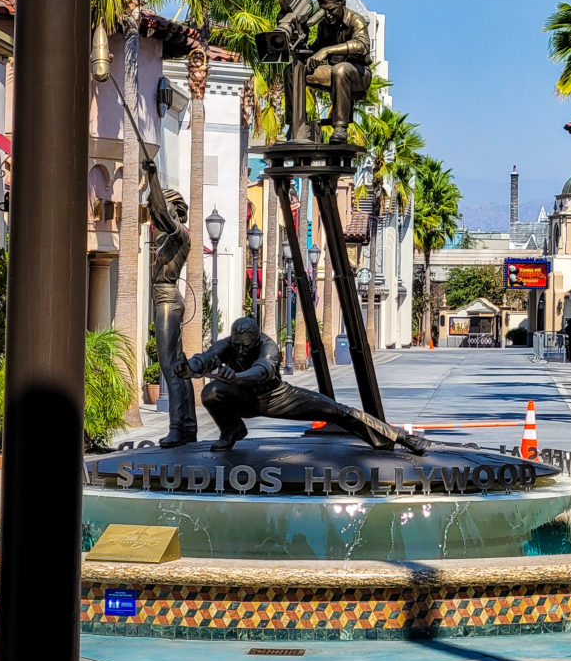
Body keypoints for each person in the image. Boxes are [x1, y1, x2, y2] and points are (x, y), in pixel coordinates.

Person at [177, 317, 427, 454]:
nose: (240, 350)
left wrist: (237, 377)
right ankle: (232, 431)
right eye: (237, 345)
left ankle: (400, 438)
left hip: (278, 397)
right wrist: (190, 368)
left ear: (256, 339)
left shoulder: (268, 345)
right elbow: (205, 358)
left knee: (337, 411)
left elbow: (263, 371)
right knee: (211, 392)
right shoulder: (227, 344)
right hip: (244, 399)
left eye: (246, 346)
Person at [142, 158, 198, 448]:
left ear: (175, 209)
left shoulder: (179, 234)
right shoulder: (167, 235)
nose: (155, 215)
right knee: (178, 365)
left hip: (167, 299)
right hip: (166, 298)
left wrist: (152, 176)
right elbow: (159, 212)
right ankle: (188, 426)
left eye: (160, 208)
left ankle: (177, 427)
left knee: (168, 365)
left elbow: (162, 213)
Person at [305, 0, 371, 143]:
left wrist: (326, 51)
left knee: (340, 70)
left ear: (343, 4)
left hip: (359, 74)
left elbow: (362, 46)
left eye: (331, 10)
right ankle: (296, 124)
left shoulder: (356, 20)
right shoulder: (324, 25)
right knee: (295, 71)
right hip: (333, 72)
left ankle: (340, 128)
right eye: (324, 11)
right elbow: (316, 48)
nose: (328, 15)